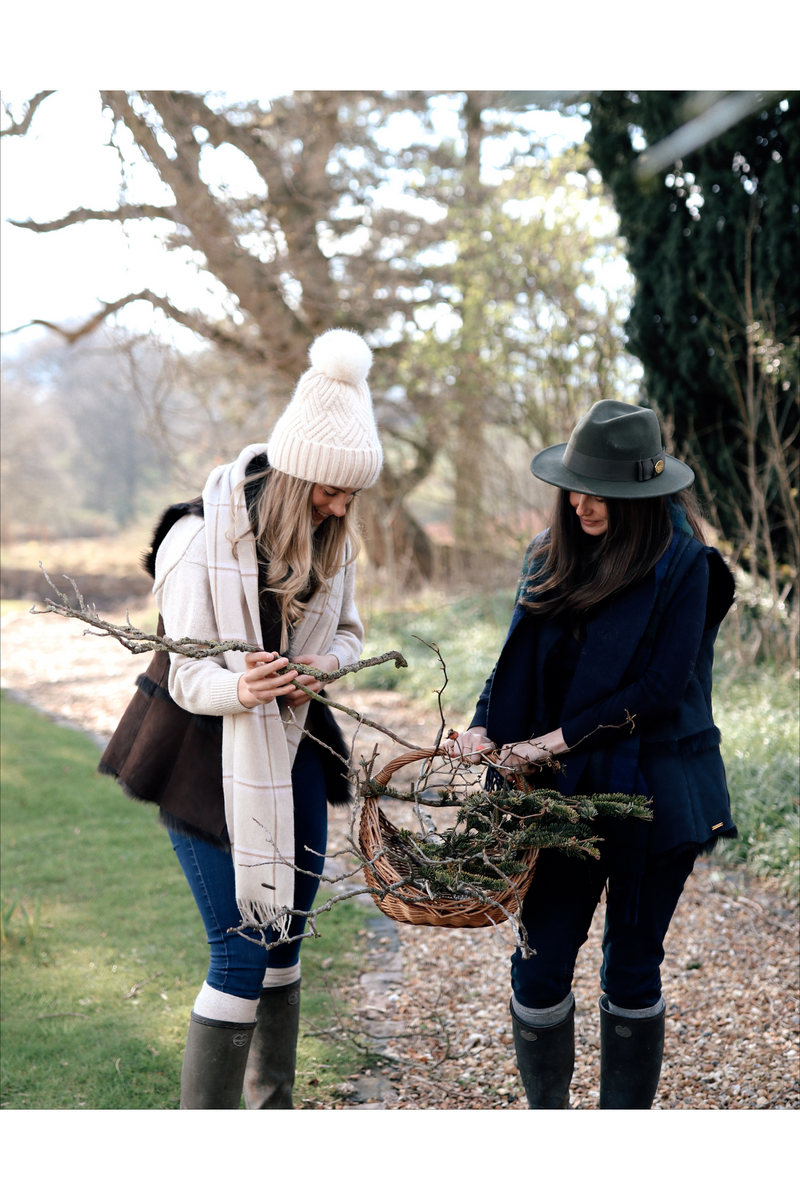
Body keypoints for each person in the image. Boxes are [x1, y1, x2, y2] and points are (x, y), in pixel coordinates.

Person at [100, 329, 383, 1109]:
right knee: (239, 953)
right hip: (199, 753)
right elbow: (190, 673)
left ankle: (272, 1119)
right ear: (294, 477)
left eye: (352, 495)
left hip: (293, 748)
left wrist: (319, 668)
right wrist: (244, 688)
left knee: (286, 945)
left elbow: (352, 635)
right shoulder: (196, 540)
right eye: (330, 492)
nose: (341, 507)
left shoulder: (336, 545)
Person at [449, 399, 736, 1109]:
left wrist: (548, 741)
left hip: (654, 790)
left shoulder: (686, 567)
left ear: (638, 495)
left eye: (598, 489)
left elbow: (662, 688)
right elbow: (514, 659)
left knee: (632, 967)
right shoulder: (549, 554)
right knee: (540, 965)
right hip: (562, 796)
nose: (580, 501)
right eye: (573, 484)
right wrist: (485, 727)